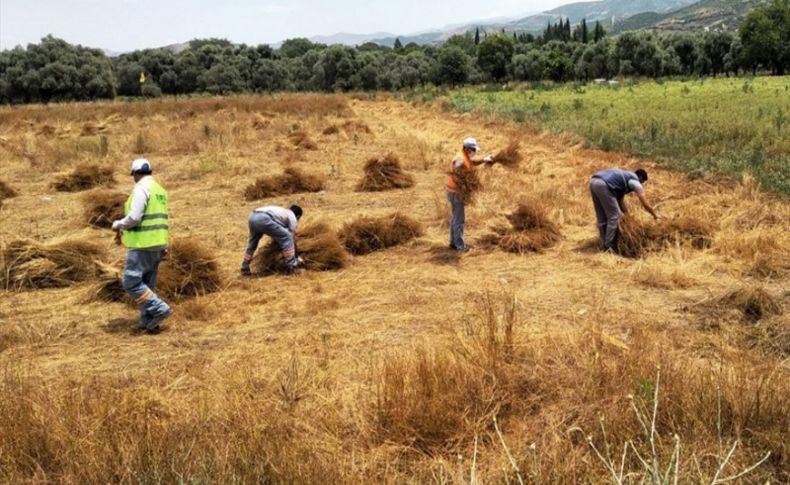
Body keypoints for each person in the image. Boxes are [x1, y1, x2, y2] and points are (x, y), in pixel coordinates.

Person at [112, 159, 171, 334]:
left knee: (131, 282)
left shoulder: (141, 189)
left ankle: (160, 308)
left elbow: (135, 217)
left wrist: (118, 224)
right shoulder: (159, 190)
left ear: (135, 174)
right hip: (158, 243)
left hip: (142, 244)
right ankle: (149, 321)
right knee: (148, 284)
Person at [589, 168, 659, 251]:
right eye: (642, 182)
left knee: (602, 216)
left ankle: (603, 242)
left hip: (593, 182)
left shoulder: (623, 180)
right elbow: (644, 203)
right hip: (604, 185)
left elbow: (620, 202)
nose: (641, 184)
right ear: (640, 178)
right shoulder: (635, 181)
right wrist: (655, 215)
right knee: (614, 216)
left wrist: (627, 216)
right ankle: (609, 246)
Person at [445, 137, 493, 252]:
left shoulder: (464, 156)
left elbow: (472, 162)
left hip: (453, 192)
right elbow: (457, 169)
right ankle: (460, 246)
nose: (474, 152)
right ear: (466, 148)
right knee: (459, 220)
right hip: (456, 193)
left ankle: (453, 242)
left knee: (455, 218)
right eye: (473, 149)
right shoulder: (460, 159)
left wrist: (484, 160)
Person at [240, 204, 303, 275]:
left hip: (252, 216)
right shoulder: (292, 218)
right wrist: (296, 257)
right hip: (263, 219)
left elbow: (277, 233)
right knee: (287, 237)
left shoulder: (283, 212)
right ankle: (292, 266)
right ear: (298, 216)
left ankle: (244, 266)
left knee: (252, 244)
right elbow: (290, 239)